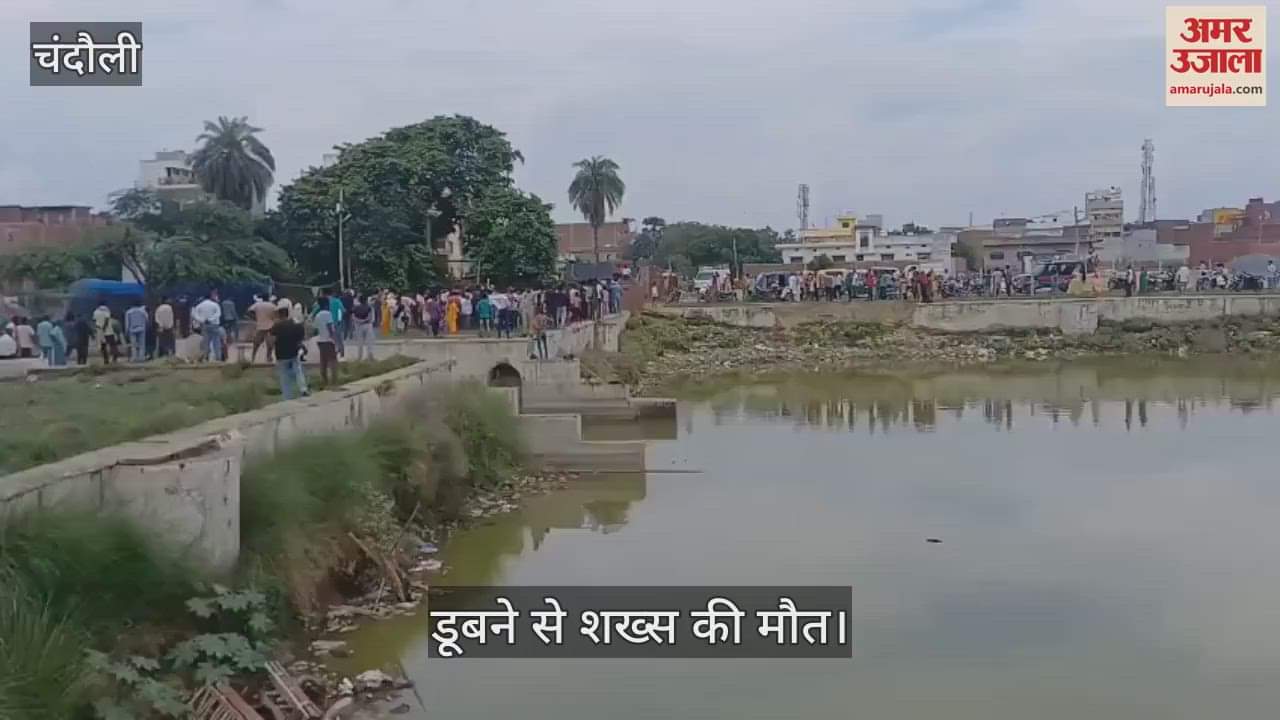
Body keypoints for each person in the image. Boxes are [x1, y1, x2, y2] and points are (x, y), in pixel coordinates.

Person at [270, 307, 306, 400]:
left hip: (281, 354)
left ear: (279, 315)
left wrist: (271, 350)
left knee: (284, 375)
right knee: (298, 371)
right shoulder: (295, 325)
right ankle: (303, 389)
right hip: (294, 352)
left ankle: (287, 396)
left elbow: (272, 341)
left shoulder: (276, 326)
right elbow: (300, 339)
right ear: (287, 314)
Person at [311, 293, 339, 387]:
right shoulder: (328, 314)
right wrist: (335, 340)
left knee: (323, 362)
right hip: (328, 340)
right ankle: (334, 382)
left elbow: (314, 329)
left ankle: (324, 381)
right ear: (327, 304)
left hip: (320, 340)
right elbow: (330, 327)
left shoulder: (317, 315)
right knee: (333, 362)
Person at [191, 291, 224, 362]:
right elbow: (218, 314)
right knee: (216, 342)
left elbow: (193, 314)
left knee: (206, 342)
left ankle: (205, 357)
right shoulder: (215, 305)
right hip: (214, 325)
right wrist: (210, 319)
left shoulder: (200, 305)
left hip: (204, 325)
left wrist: (202, 320)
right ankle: (218, 358)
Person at [249, 294, 278, 363]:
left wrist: (255, 318)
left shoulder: (257, 304)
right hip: (270, 326)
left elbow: (249, 311)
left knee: (256, 344)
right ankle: (268, 357)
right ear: (268, 298)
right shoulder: (272, 305)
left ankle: (253, 357)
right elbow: (277, 314)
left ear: (262, 298)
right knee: (270, 344)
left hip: (260, 326)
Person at [351, 294, 376, 360]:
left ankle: (359, 357)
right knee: (369, 342)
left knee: (360, 343)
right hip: (368, 325)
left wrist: (359, 321)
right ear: (366, 300)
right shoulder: (369, 307)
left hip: (358, 326)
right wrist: (364, 320)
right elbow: (370, 317)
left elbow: (353, 317)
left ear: (359, 300)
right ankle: (370, 356)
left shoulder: (355, 308)